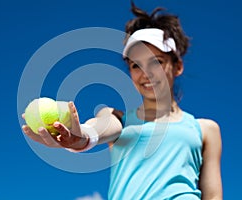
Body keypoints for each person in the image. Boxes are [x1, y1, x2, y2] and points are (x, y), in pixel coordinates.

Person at [22, 2, 222, 199]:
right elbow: (98, 128)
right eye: (136, 65)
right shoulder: (116, 117)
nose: (146, 73)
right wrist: (79, 137)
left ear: (177, 66)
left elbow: (213, 196)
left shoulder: (205, 129)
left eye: (157, 62)